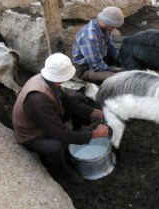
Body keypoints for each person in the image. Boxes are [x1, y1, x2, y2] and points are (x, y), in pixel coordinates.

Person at [12, 53, 109, 185]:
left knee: (78, 98)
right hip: (32, 134)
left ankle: (77, 132)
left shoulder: (47, 80)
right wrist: (95, 134)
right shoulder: (37, 100)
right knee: (55, 146)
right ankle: (60, 170)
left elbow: (69, 102)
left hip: (46, 119)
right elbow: (60, 134)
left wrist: (98, 113)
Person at [72, 6, 124, 83]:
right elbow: (96, 65)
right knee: (118, 79)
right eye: (113, 26)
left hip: (101, 60)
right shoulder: (89, 36)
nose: (114, 29)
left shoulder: (106, 29)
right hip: (85, 69)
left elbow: (111, 48)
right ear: (104, 22)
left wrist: (122, 60)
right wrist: (114, 70)